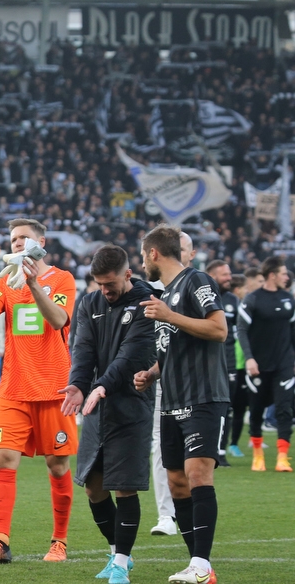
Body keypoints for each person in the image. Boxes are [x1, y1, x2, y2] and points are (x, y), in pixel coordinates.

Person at [0, 218, 77, 564]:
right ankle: (1, 540)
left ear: (40, 242)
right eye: (13, 239)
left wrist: (33, 284)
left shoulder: (62, 279)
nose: (16, 243)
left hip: (54, 389)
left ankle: (58, 541)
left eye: (23, 238)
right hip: (14, 387)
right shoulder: (4, 281)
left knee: (58, 466)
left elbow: (59, 320)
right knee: (3, 459)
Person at [134, 224, 229, 584]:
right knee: (176, 482)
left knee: (197, 474)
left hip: (204, 395)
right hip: (171, 399)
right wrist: (152, 372)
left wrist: (170, 316)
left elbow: (218, 330)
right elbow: (176, 346)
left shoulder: (197, 281)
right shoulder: (167, 293)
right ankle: (196, 563)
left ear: (154, 253)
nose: (143, 263)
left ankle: (202, 566)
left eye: (144, 256)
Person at [60, 245, 157, 584]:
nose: (105, 290)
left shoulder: (148, 303)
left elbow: (131, 356)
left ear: (128, 274)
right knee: (94, 489)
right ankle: (118, 550)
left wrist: (100, 386)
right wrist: (78, 384)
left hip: (132, 404)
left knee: (124, 489)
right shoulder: (88, 304)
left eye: (110, 284)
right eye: (99, 284)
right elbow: (83, 349)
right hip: (97, 408)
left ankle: (120, 561)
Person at [148, 231, 194, 537]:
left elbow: (216, 330)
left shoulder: (196, 285)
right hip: (164, 378)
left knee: (196, 460)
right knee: (159, 445)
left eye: (187, 249)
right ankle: (166, 514)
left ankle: (190, 514)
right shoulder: (153, 288)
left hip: (196, 381)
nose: (185, 253)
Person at [236, 256, 295, 472]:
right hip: (258, 364)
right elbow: (241, 331)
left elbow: (293, 331)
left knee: (284, 409)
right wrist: (249, 358)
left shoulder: (288, 299)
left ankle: (282, 457)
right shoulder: (253, 300)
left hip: (284, 364)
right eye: (283, 274)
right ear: (272, 275)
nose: (286, 277)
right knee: (257, 409)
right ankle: (258, 454)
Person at [205, 260, 239, 467]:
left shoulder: (234, 300)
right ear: (212, 275)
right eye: (225, 275)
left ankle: (221, 450)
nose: (229, 278)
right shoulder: (203, 298)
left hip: (230, 363)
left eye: (229, 274)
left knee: (228, 408)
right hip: (208, 363)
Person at [227, 269, 263, 457]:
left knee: (241, 406)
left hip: (243, 364)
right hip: (233, 363)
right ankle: (224, 445)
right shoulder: (231, 307)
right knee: (231, 407)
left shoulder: (247, 307)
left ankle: (235, 443)